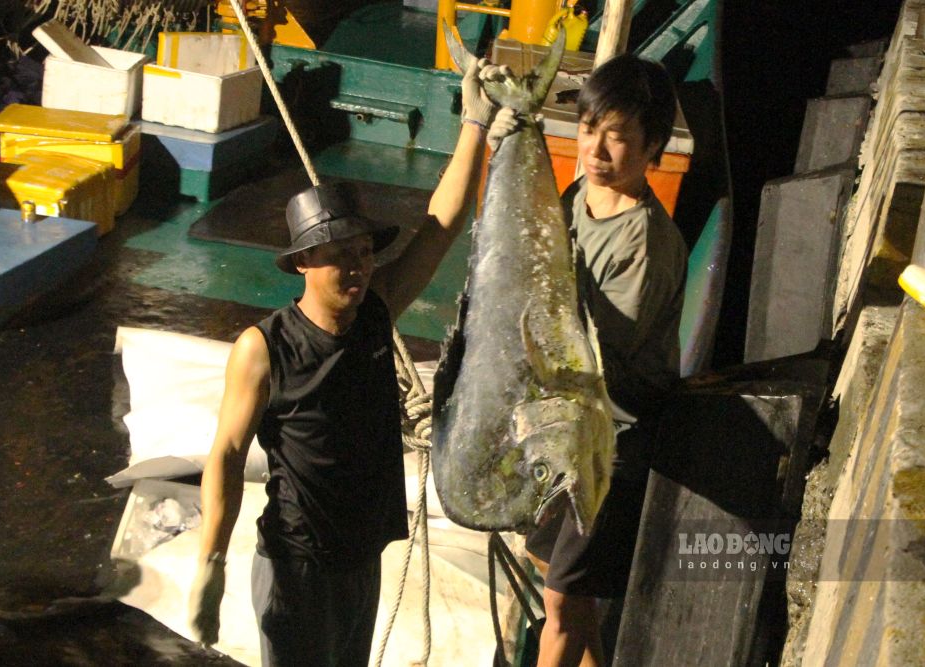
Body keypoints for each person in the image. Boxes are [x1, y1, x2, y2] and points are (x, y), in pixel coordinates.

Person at [186, 56, 504, 667]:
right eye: (339, 255)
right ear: (303, 263)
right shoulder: (264, 348)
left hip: (363, 559)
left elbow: (440, 226)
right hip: (297, 568)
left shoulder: (376, 310)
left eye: (362, 251)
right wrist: (211, 562)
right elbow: (226, 453)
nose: (356, 267)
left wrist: (475, 124)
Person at [492, 54, 687, 666]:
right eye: (588, 129)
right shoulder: (578, 196)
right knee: (554, 573)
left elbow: (597, 357)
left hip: (611, 443)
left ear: (652, 146)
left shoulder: (646, 243)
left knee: (560, 601)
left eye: (619, 136)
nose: (597, 150)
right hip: (566, 427)